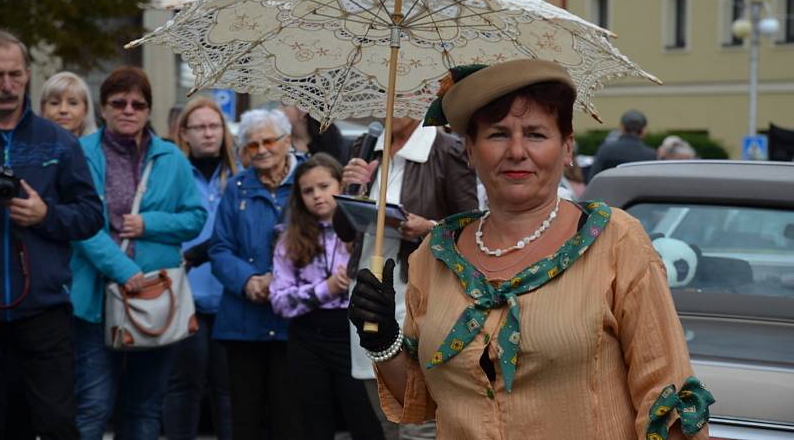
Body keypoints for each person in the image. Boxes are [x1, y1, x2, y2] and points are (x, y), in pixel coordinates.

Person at [348, 59, 715, 438]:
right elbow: (420, 398)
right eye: (497, 134)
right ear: (470, 150)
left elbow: (666, 394)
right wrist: (383, 340)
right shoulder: (436, 255)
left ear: (567, 147)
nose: (517, 150)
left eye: (537, 134)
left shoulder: (616, 241)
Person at [69, 66, 207, 440]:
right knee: (93, 406)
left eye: (138, 104)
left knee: (146, 408)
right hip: (95, 298)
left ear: (148, 110)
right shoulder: (79, 153)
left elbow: (195, 218)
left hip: (153, 297)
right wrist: (121, 268)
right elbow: (77, 223)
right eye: (119, 103)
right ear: (103, 108)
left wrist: (150, 224)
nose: (128, 110)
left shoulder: (172, 158)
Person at [338, 116, 478, 439]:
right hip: (370, 293)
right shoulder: (365, 145)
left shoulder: (446, 149)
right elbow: (343, 229)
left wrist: (428, 228)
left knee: (418, 422)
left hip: (420, 295)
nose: (390, 105)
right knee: (386, 418)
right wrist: (348, 189)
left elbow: (472, 228)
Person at [0, 30, 104, 439]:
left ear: (28, 76)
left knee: (58, 425)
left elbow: (91, 215)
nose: (6, 85)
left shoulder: (58, 141)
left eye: (14, 75)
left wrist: (45, 214)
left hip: (43, 311)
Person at [270, 153, 384, 440]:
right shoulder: (288, 239)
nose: (317, 196)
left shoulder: (362, 231)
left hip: (352, 334)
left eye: (324, 186)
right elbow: (279, 301)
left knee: (364, 417)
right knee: (313, 421)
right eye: (308, 191)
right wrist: (326, 289)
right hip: (307, 337)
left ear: (340, 184)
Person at [209, 108, 303, 440]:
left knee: (292, 419)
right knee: (245, 420)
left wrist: (281, 281)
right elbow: (219, 247)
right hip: (243, 321)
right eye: (251, 145)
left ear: (287, 141)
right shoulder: (237, 187)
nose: (261, 150)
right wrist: (248, 280)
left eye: (268, 141)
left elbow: (327, 242)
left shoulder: (308, 179)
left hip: (296, 321)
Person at [163, 97, 237, 440]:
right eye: (200, 127)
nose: (208, 134)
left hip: (230, 297)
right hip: (184, 294)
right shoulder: (171, 175)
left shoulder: (240, 177)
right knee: (182, 386)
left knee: (228, 389)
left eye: (214, 126)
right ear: (184, 134)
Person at [587, 108, 656, 180]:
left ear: (621, 128)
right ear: (644, 130)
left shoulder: (606, 150)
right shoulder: (651, 155)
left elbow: (593, 179)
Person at [280, 103, 347, 163]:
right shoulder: (279, 140)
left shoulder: (333, 143)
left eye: (285, 104)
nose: (279, 109)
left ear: (303, 109)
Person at [39, 71, 98, 137]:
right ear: (43, 108)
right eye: (55, 103)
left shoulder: (100, 146)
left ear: (86, 109)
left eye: (73, 103)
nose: (63, 110)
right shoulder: (28, 145)